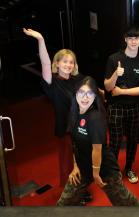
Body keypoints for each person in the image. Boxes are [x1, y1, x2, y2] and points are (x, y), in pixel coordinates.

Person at [23, 28, 92, 203]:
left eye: (71, 62)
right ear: (57, 63)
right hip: (66, 130)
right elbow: (45, 64)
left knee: (83, 161)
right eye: (65, 62)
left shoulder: (79, 79)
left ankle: (82, 190)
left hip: (82, 128)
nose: (68, 65)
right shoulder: (52, 82)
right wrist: (40, 39)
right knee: (69, 165)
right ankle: (73, 196)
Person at [57, 76, 139, 206]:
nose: (85, 97)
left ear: (95, 96)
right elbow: (75, 143)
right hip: (84, 167)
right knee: (63, 205)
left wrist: (96, 174)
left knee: (127, 205)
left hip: (104, 170)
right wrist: (75, 165)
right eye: (81, 93)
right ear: (76, 94)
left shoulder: (95, 118)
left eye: (89, 93)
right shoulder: (74, 113)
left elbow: (97, 149)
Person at [104, 26, 139, 184]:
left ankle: (129, 168)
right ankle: (112, 171)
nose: (133, 41)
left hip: (135, 107)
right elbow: (108, 87)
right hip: (115, 106)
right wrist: (115, 75)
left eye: (136, 38)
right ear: (125, 39)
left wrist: (122, 92)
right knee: (115, 141)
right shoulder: (114, 59)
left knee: (133, 139)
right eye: (130, 38)